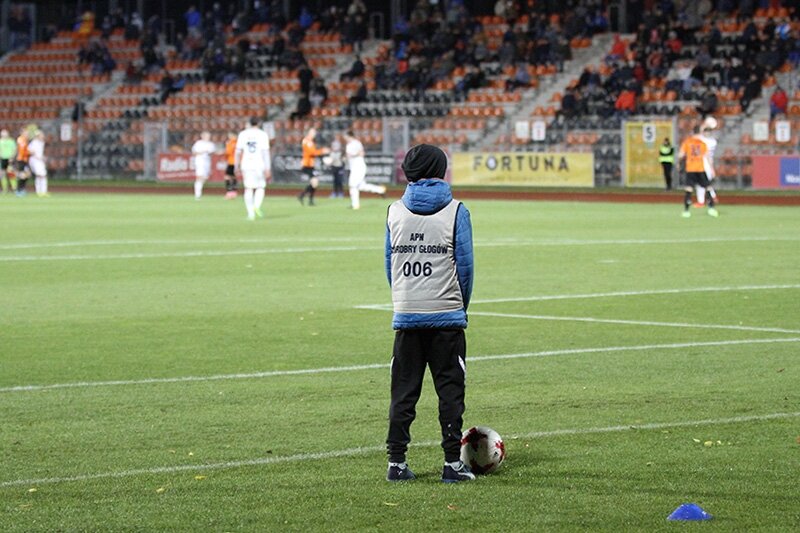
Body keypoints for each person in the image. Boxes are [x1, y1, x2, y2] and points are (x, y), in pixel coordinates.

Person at [384, 143, 475, 483]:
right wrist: (458, 307)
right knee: (450, 391)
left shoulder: (394, 211)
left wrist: (405, 299)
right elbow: (465, 268)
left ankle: (396, 462)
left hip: (407, 313)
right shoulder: (456, 211)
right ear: (440, 170)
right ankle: (452, 463)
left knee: (403, 392)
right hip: (446, 315)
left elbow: (390, 265)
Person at [235, 117, 271, 221]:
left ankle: (250, 214)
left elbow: (238, 152)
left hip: (246, 163)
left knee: (248, 188)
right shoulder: (263, 134)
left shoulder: (243, 134)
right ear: (259, 123)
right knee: (260, 187)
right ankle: (256, 206)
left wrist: (236, 165)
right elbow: (265, 152)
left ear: (249, 123)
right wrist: (268, 168)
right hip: (259, 163)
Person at [678, 126, 718, 218]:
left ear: (692, 132)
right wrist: (712, 169)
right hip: (700, 169)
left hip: (690, 169)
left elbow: (681, 155)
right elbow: (708, 157)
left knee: (689, 189)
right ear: (700, 133)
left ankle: (686, 211)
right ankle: (711, 209)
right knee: (708, 187)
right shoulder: (702, 143)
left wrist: (679, 163)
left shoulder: (687, 142)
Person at [344, 130, 386, 210]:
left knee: (352, 185)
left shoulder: (352, 144)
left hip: (358, 167)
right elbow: (360, 153)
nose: (345, 138)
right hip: (357, 166)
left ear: (349, 136)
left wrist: (351, 155)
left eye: (345, 136)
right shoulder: (357, 143)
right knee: (361, 186)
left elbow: (358, 154)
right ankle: (380, 190)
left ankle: (355, 205)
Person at [297, 127, 329, 206]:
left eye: (315, 132)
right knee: (315, 182)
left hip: (310, 165)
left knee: (314, 183)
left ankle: (304, 197)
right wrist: (322, 151)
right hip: (306, 165)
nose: (314, 134)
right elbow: (312, 153)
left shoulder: (310, 141)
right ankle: (304, 197)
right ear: (309, 133)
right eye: (313, 132)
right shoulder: (307, 141)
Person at [191, 131, 216, 200]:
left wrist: (209, 153)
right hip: (200, 161)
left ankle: (199, 190)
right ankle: (197, 194)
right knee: (199, 176)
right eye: (206, 136)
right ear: (202, 136)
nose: (208, 137)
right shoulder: (198, 143)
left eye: (208, 136)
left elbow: (212, 152)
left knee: (205, 177)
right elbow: (194, 152)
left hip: (207, 162)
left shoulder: (211, 144)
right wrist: (202, 152)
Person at [27, 131, 48, 197]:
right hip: (35, 160)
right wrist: (38, 157)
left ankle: (43, 191)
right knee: (40, 175)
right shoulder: (34, 143)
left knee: (43, 175)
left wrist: (42, 157)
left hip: (40, 161)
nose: (42, 136)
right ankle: (39, 191)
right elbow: (30, 151)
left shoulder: (41, 143)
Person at [0, 129, 18, 194]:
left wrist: (12, 157)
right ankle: (5, 189)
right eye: (3, 133)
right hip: (2, 159)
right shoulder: (0, 141)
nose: (4, 135)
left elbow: (15, 150)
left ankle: (14, 188)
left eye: (5, 133)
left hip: (10, 159)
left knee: (11, 173)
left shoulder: (11, 141)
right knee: (2, 174)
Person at [15, 129, 30, 197]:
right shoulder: (20, 139)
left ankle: (21, 189)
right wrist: (29, 152)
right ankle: (19, 190)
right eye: (26, 133)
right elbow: (22, 151)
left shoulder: (25, 140)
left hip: (25, 160)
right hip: (21, 160)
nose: (27, 135)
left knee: (27, 175)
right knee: (22, 175)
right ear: (22, 133)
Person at [224, 132, 238, 199]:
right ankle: (234, 192)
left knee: (227, 177)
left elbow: (228, 152)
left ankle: (229, 192)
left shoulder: (230, 143)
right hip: (237, 162)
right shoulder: (238, 142)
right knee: (234, 177)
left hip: (231, 162)